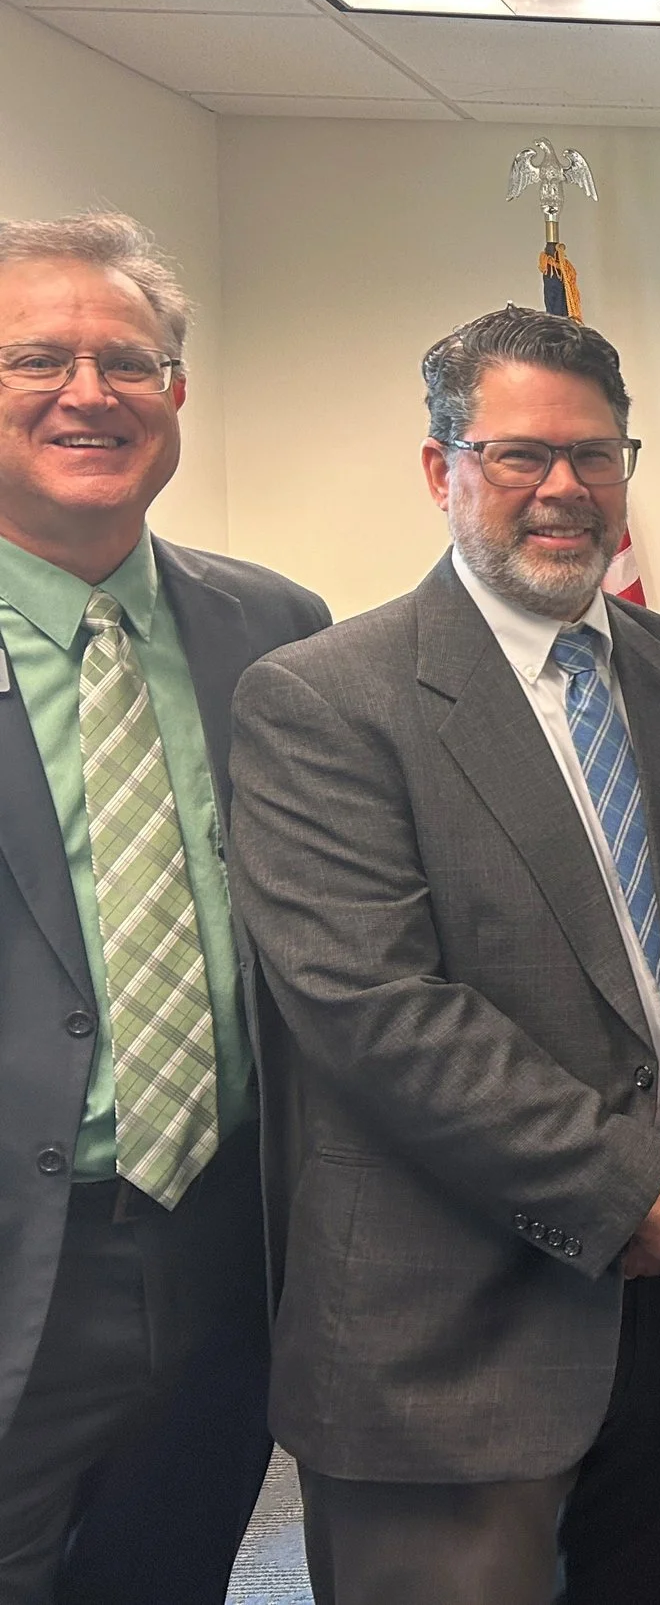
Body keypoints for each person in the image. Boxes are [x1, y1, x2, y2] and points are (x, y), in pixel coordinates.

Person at [226, 306, 660, 1605]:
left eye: (596, 453)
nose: (565, 487)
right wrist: (651, 1188)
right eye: (520, 453)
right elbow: (378, 1014)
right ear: (440, 468)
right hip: (444, 1358)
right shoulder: (321, 698)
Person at [0, 213, 328, 1605]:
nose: (90, 393)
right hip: (25, 1255)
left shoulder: (277, 629)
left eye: (128, 361)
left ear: (178, 396)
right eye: (37, 359)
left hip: (226, 1246)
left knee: (169, 1569)